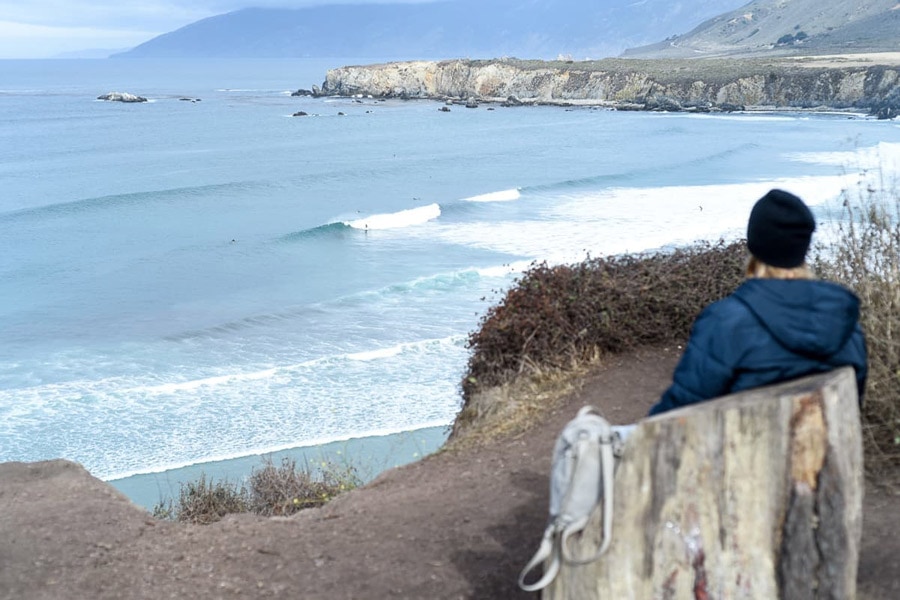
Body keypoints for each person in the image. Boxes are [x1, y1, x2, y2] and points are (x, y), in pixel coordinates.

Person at [648, 188, 867, 416]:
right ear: (803, 247)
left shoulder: (725, 323)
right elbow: (852, 405)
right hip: (827, 449)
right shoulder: (845, 321)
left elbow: (680, 409)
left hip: (744, 449)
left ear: (755, 244)